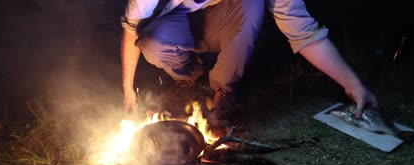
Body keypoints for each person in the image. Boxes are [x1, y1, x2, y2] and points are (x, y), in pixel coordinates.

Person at [120, 0, 378, 124]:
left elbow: (305, 33)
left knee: (252, 3)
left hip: (226, 19)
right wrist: (128, 90)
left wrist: (352, 83)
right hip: (178, 22)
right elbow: (132, 30)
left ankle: (225, 87)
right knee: (154, 41)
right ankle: (188, 74)